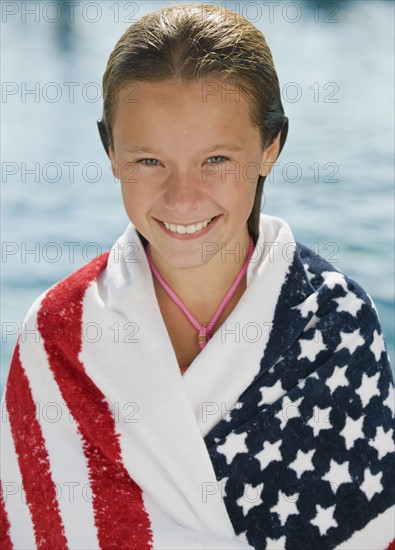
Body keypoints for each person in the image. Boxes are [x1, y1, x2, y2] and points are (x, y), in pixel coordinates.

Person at [1, 4, 394, 549]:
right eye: (148, 161)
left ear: (271, 148)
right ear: (111, 152)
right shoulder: (56, 336)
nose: (182, 199)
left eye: (215, 160)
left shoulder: (337, 322)